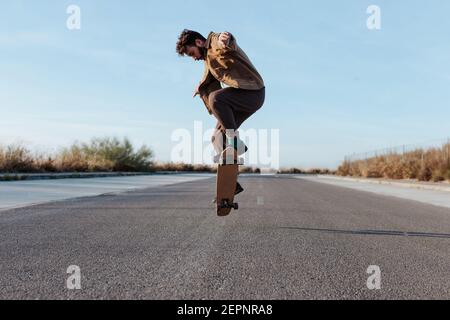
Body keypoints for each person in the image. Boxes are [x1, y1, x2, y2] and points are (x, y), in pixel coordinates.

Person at [176, 29, 265, 196]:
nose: (194, 58)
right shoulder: (208, 59)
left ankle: (234, 143)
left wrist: (227, 38)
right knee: (216, 137)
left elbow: (226, 42)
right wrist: (199, 87)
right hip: (243, 99)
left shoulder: (216, 42)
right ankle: (231, 184)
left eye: (191, 53)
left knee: (216, 99)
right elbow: (207, 77)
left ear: (199, 42)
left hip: (253, 92)